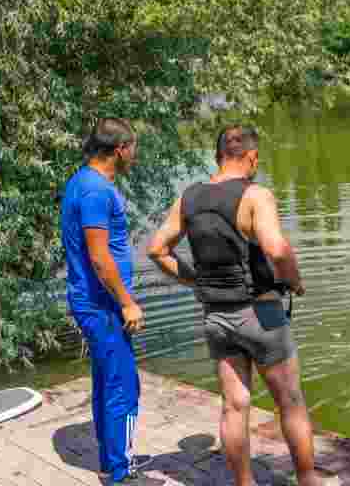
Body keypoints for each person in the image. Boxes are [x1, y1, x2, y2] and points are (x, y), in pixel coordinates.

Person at [146, 125, 321, 486]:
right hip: (262, 311)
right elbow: (276, 249)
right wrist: (295, 281)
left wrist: (197, 281)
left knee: (234, 405)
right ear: (252, 158)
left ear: (217, 156)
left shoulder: (189, 197)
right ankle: (308, 480)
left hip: (215, 316)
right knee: (290, 401)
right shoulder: (256, 195)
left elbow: (156, 249)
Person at [60, 118, 157, 485]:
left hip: (94, 301)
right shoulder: (96, 191)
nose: (135, 155)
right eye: (133, 147)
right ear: (120, 150)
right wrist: (127, 302)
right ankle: (120, 473)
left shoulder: (81, 182)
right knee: (123, 386)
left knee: (106, 381)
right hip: (103, 304)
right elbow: (100, 258)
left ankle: (110, 461)